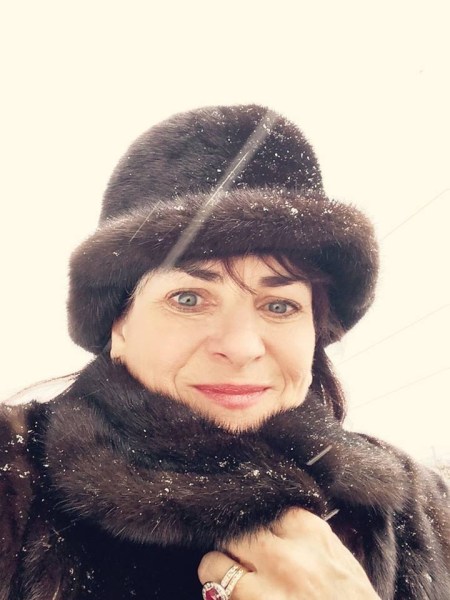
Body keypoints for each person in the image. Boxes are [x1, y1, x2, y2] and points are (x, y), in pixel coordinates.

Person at [0, 105, 449, 600]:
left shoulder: (415, 510)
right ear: (118, 325)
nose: (240, 347)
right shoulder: (14, 481)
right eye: (188, 299)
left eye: (279, 305)